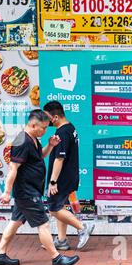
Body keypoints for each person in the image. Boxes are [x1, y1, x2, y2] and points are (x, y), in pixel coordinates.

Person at [0, 110, 80, 265]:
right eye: (43, 128)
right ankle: (56, 258)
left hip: (29, 191)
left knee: (15, 222)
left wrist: (50, 146)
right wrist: (6, 192)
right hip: (27, 192)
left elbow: (40, 156)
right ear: (33, 125)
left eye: (47, 128)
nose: (45, 131)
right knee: (43, 224)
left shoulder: (33, 139)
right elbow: (13, 168)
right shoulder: (21, 141)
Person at [42, 101, 95, 251]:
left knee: (53, 208)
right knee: (60, 207)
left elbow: (60, 158)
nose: (46, 121)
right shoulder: (70, 128)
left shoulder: (62, 133)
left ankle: (82, 227)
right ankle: (62, 240)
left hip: (62, 179)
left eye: (47, 118)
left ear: (56, 117)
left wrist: (53, 181)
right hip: (70, 176)